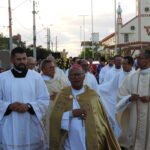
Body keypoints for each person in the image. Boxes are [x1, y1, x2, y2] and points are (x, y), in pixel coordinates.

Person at [49, 64, 121, 150]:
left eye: (78, 74)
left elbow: (101, 120)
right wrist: (71, 114)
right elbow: (54, 119)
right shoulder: (62, 94)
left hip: (90, 140)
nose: (76, 77)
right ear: (68, 78)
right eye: (73, 75)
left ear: (84, 77)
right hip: (69, 141)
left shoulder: (92, 95)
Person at [0, 47, 49, 150]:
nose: (22, 62)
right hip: (10, 125)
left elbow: (44, 99)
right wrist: (9, 106)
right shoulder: (2, 78)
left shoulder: (36, 77)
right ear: (12, 60)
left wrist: (28, 106)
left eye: (24, 58)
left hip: (31, 124)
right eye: (18, 59)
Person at [117, 50, 150, 150]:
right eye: (137, 58)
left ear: (148, 60)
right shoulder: (132, 77)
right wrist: (130, 98)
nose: (137, 60)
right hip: (134, 117)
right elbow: (120, 95)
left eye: (140, 58)